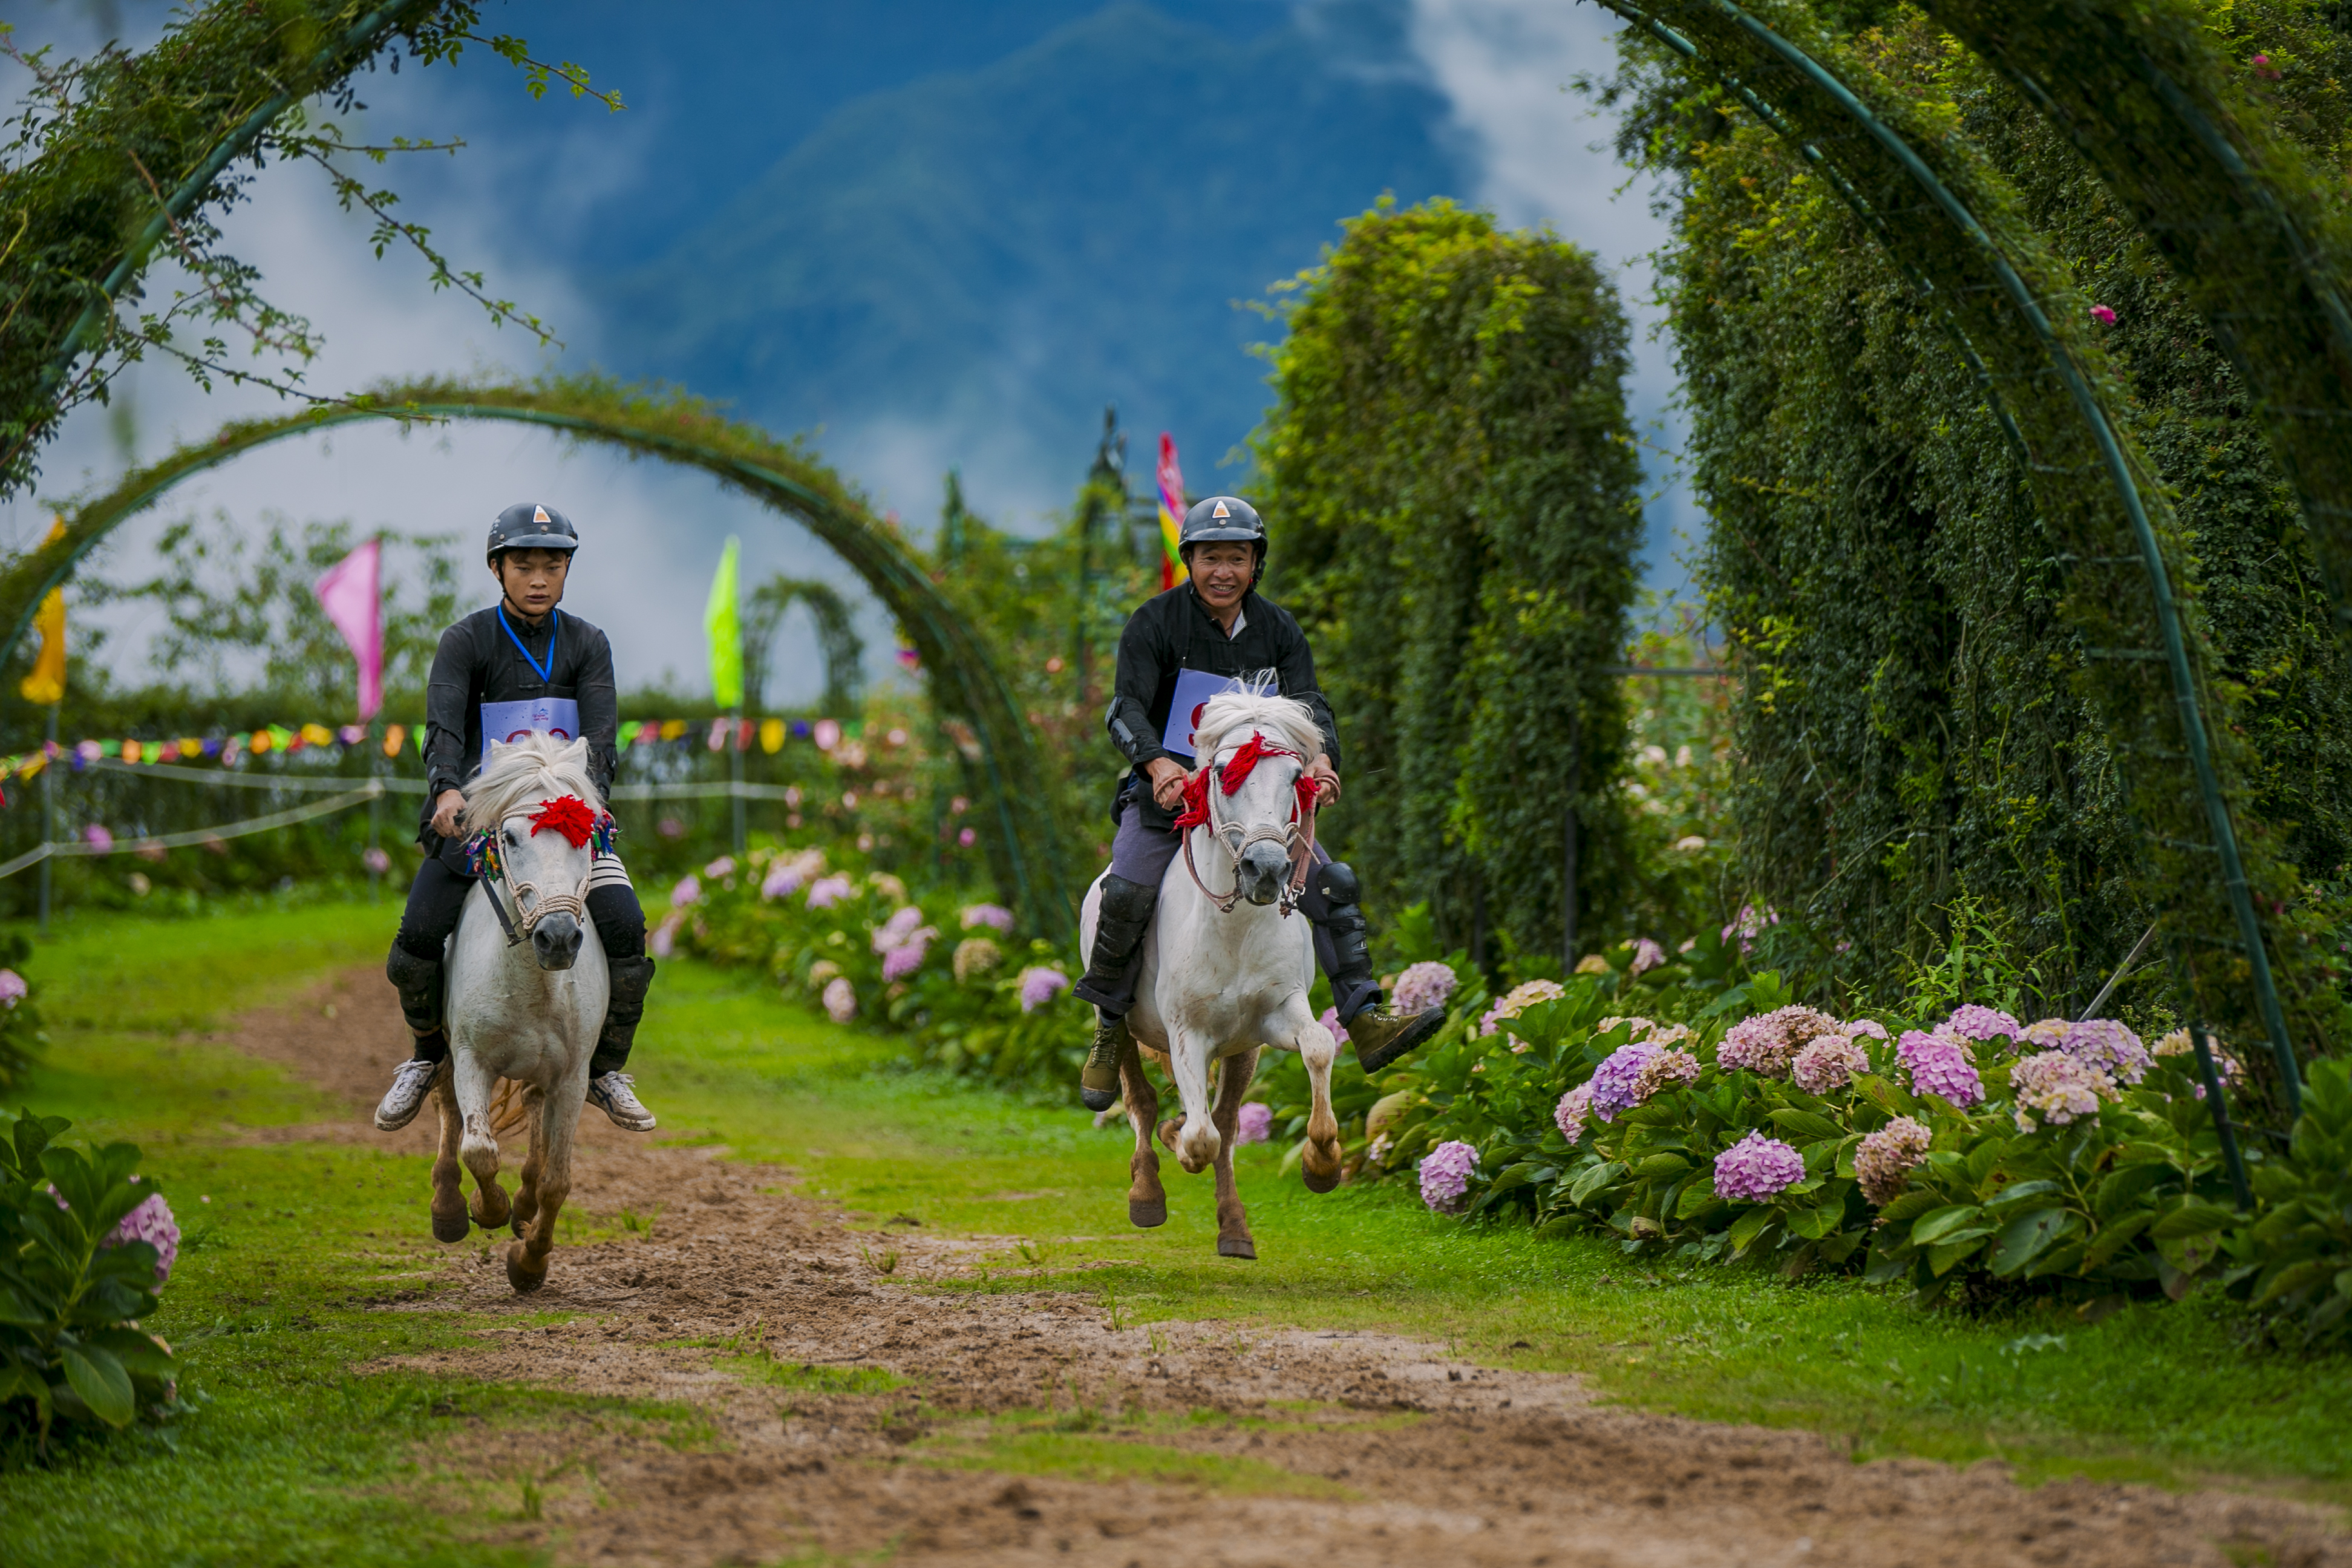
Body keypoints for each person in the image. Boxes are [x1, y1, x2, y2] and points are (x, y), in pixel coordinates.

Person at [1073, 495, 1447, 1111]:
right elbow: (1126, 708)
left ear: (1256, 565)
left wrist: (1322, 756)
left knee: (1333, 884)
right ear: (1190, 561)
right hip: (1172, 799)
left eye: (1238, 559)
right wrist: (1159, 763)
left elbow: (1311, 704)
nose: (1224, 571)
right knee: (1126, 893)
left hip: (1256, 804)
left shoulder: (1279, 628)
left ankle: (1365, 1017)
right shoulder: (1154, 622)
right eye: (1211, 558)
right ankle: (1110, 1030)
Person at [371, 503, 658, 1134]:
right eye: (524, 566)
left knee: (629, 933)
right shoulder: (466, 641)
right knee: (417, 938)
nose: (538, 579)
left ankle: (606, 1070)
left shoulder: (588, 643)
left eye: (552, 566)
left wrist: (587, 802)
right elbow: (443, 728)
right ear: (497, 569)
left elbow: (602, 742)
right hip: (479, 820)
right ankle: (425, 1058)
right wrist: (448, 792)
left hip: (568, 820)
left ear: (565, 572)